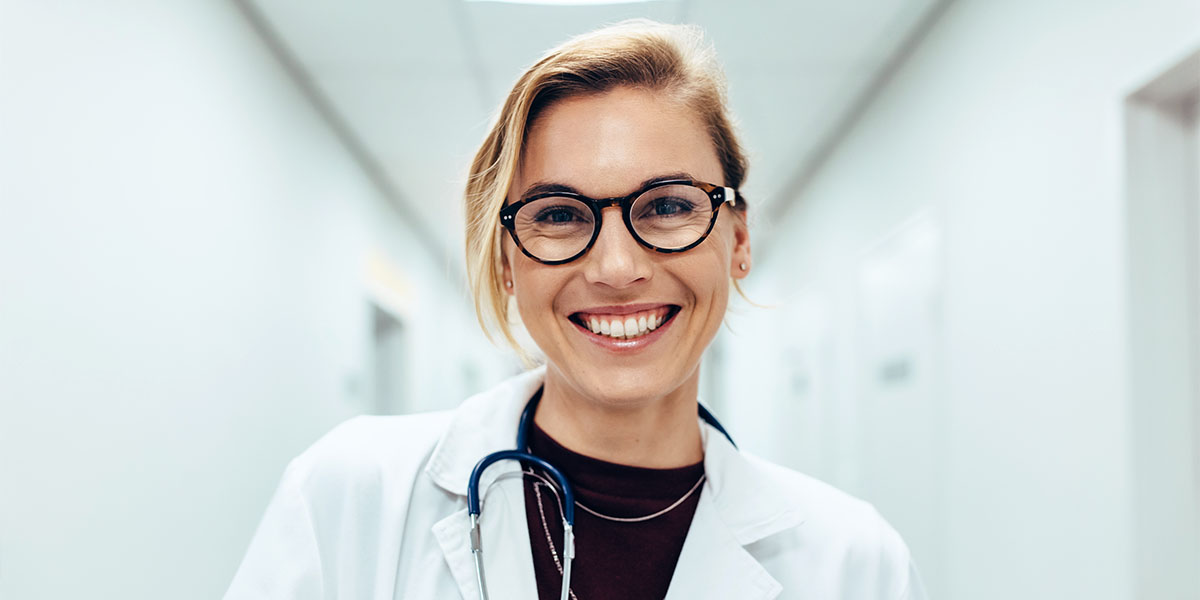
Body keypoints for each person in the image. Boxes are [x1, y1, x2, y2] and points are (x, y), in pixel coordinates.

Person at [226, 20, 926, 600]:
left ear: (737, 240)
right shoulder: (350, 499)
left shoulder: (856, 567)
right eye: (558, 214)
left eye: (669, 206)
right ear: (506, 260)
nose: (618, 268)